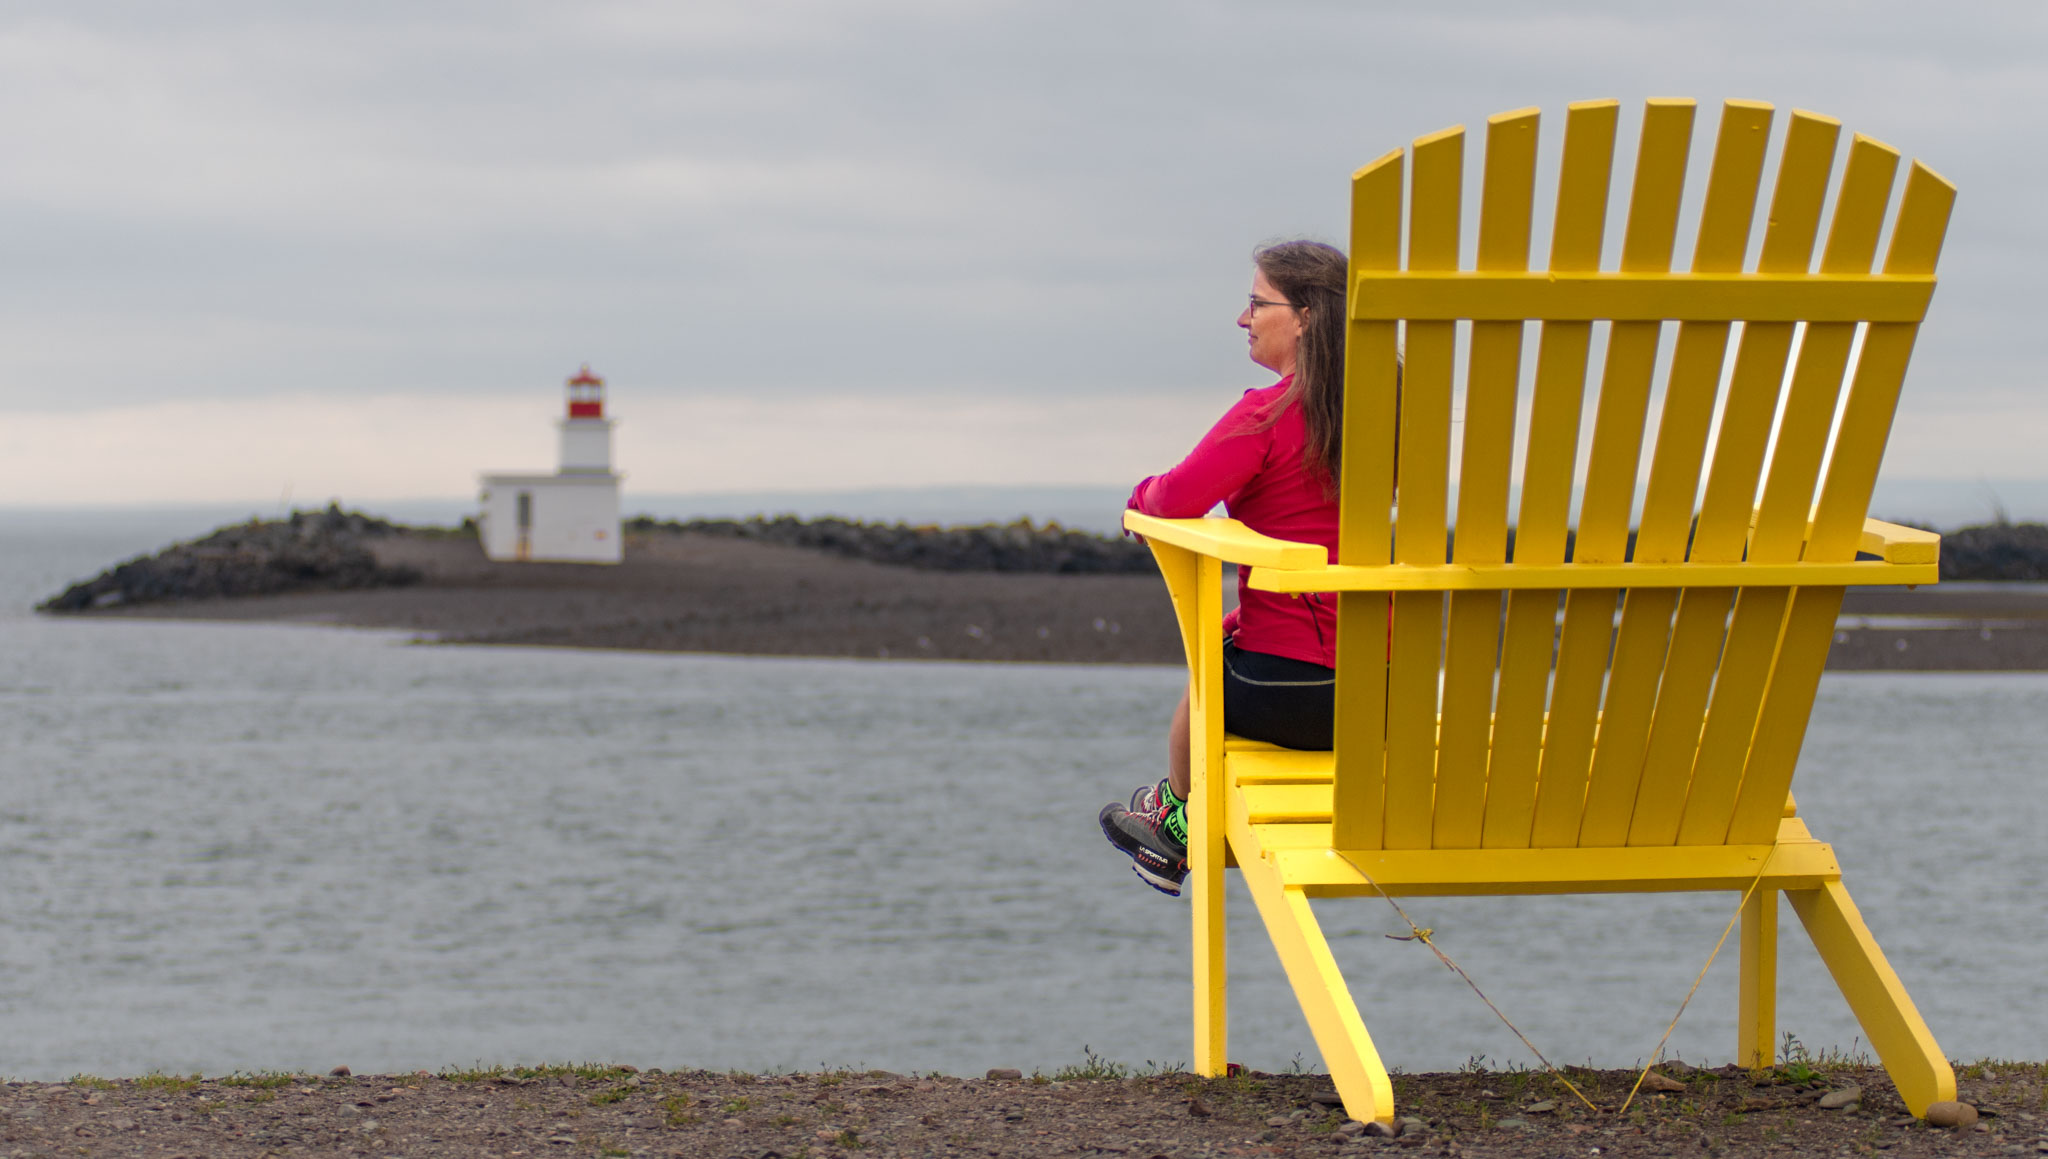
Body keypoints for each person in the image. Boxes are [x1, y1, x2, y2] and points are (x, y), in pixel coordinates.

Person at [1100, 239, 1349, 896]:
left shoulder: (1266, 414)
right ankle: (1164, 818)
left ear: (1304, 317)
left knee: (1205, 675)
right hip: (1382, 697)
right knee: (1225, 640)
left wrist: (1138, 502)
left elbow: (1173, 498)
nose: (1243, 319)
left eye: (1255, 303)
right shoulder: (1396, 418)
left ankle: (1174, 825)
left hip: (1290, 697)